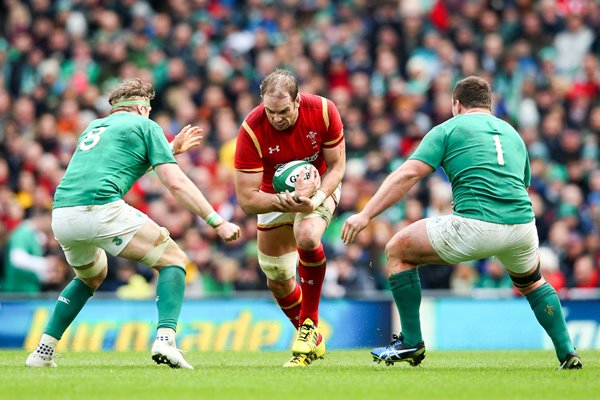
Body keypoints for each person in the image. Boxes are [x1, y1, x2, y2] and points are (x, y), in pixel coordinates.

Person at [341, 76, 582, 370]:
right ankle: (567, 353)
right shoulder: (512, 133)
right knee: (532, 282)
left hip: (477, 225)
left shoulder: (449, 128)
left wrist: (365, 215)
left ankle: (411, 342)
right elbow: (519, 183)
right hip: (522, 226)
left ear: (456, 104)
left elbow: (408, 174)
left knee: (397, 250)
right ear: (487, 104)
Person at [25, 78, 241, 369]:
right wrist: (216, 221)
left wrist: (168, 150)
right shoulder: (145, 126)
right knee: (174, 259)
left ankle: (43, 351)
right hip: (100, 208)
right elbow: (175, 183)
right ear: (141, 108)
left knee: (90, 277)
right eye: (149, 109)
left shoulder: (94, 127)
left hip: (62, 214)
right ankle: (165, 340)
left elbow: (119, 165)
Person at [234, 69, 345, 367]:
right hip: (275, 194)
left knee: (307, 236)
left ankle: (308, 326)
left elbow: (337, 166)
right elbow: (246, 199)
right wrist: (283, 201)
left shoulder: (322, 110)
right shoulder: (252, 129)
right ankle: (313, 341)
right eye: (270, 111)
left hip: (319, 184)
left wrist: (316, 198)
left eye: (283, 111)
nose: (276, 118)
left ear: (297, 101)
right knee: (277, 278)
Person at [2, 208, 56, 293]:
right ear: (44, 218)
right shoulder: (22, 233)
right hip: (16, 293)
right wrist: (46, 263)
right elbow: (17, 259)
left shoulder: (34, 236)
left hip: (29, 291)